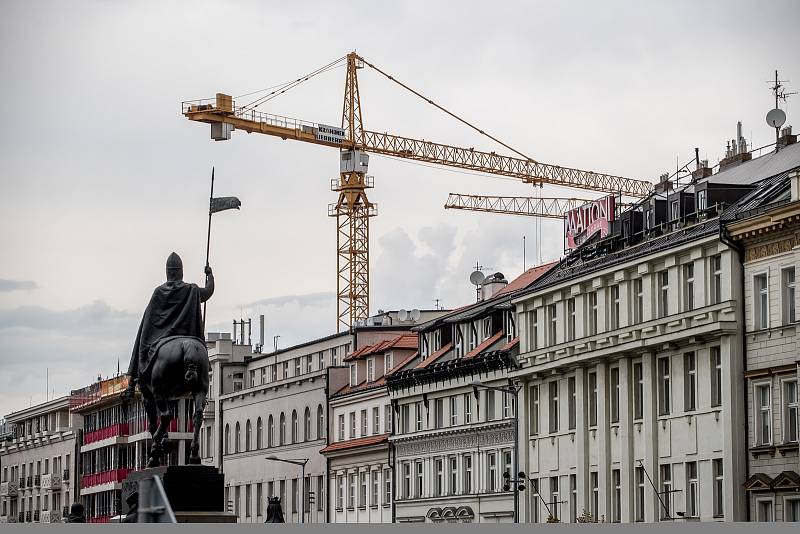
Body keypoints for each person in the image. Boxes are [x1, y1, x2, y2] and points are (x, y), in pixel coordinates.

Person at [121, 252, 214, 401]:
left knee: (141, 334)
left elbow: (148, 323)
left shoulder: (159, 292)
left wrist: (144, 341)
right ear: (181, 272)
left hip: (162, 339)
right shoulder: (192, 289)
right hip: (189, 335)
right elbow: (208, 292)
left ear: (167, 273)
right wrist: (210, 275)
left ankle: (132, 381)